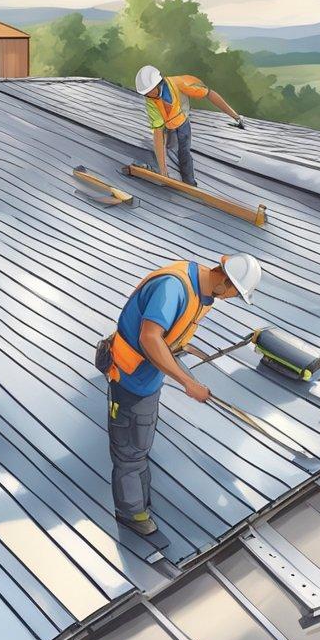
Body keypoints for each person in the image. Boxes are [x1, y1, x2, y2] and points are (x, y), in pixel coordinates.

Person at [104, 254, 263, 535]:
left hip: (148, 381)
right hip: (131, 382)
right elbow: (149, 338)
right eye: (234, 293)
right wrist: (187, 383)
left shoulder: (199, 289)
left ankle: (139, 498)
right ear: (225, 280)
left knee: (139, 445)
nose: (230, 298)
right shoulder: (172, 288)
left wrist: (185, 372)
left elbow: (171, 338)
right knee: (128, 451)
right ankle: (131, 513)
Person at [135, 65, 244, 187]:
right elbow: (158, 133)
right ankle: (168, 173)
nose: (149, 96)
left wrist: (235, 116)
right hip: (168, 127)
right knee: (169, 150)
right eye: (146, 94)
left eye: (150, 92)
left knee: (184, 153)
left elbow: (209, 94)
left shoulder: (181, 84)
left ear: (159, 84)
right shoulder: (150, 101)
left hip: (183, 123)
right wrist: (163, 173)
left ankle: (190, 183)